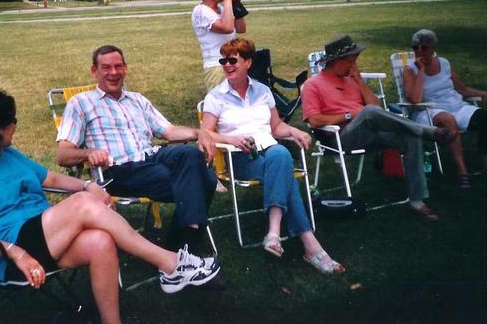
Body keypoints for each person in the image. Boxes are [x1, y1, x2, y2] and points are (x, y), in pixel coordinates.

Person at [0, 89, 221, 324]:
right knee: (83, 206)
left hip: (41, 234)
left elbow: (52, 179)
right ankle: (170, 263)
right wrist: (16, 253)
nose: (16, 125)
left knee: (100, 240)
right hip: (9, 247)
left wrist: (87, 186)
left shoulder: (8, 155)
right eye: (13, 120)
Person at [56, 45, 218, 256]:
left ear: (125, 68)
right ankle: (183, 249)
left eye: (118, 66)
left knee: (190, 154)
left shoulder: (137, 100)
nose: (113, 73)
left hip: (152, 156)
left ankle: (180, 250)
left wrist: (199, 133)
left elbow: (168, 131)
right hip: (119, 170)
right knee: (206, 179)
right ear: (94, 71)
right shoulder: (81, 103)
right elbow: (63, 155)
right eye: (106, 67)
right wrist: (88, 153)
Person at [201, 38, 345, 274]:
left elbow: (276, 127)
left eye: (232, 60)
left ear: (248, 62)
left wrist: (294, 130)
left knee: (279, 154)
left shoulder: (263, 91)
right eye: (223, 60)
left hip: (269, 153)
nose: (226, 65)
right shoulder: (216, 96)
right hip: (241, 158)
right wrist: (232, 140)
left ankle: (279, 234)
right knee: (283, 159)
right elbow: (205, 133)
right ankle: (305, 243)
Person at [301, 35, 458, 222]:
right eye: (352, 60)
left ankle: (417, 201)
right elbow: (314, 120)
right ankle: (429, 132)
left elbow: (376, 107)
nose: (355, 65)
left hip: (370, 132)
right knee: (368, 113)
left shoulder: (352, 79)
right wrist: (350, 115)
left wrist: (359, 80)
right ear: (338, 61)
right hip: (341, 137)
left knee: (410, 137)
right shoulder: (313, 84)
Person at [403, 29, 487, 188]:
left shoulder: (445, 63)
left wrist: (483, 94)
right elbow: (415, 99)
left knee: (484, 117)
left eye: (424, 47)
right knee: (448, 119)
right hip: (427, 111)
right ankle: (462, 171)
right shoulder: (410, 70)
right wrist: (421, 70)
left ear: (433, 47)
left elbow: (461, 89)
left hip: (456, 106)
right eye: (415, 47)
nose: (419, 51)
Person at [191, 0, 247, 92]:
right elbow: (227, 28)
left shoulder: (222, 9)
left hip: (233, 63)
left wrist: (235, 3)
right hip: (216, 67)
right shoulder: (200, 11)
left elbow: (241, 28)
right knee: (220, 106)